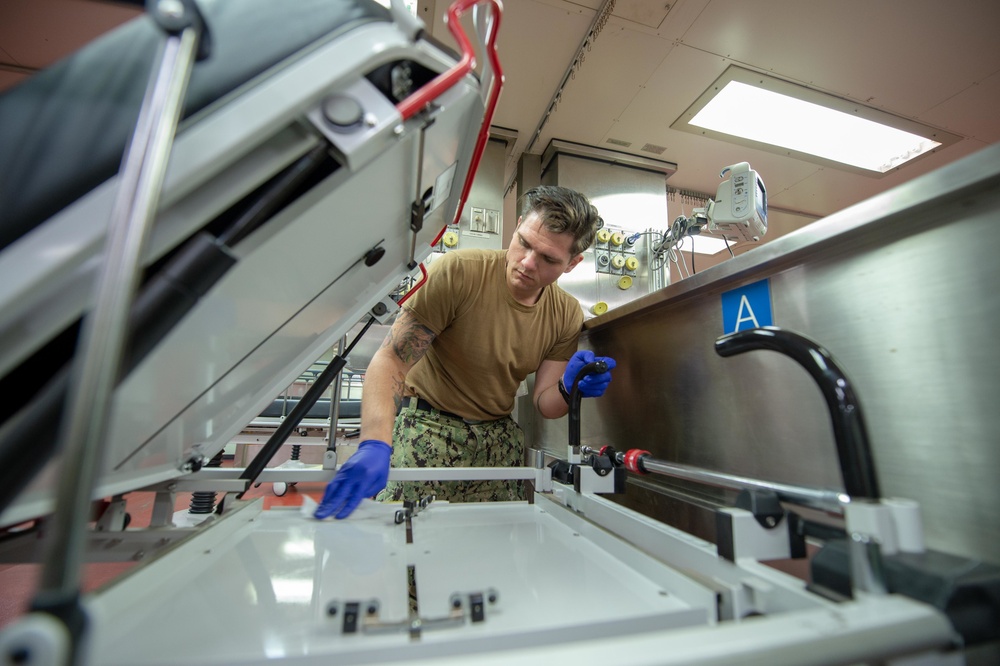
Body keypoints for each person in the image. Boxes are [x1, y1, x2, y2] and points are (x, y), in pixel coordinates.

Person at [315, 186, 616, 520]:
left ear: (573, 263)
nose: (528, 263)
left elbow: (545, 404)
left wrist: (570, 388)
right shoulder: (460, 273)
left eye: (548, 259)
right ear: (517, 227)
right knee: (410, 552)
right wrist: (375, 443)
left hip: (498, 444)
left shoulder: (564, 313)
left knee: (491, 554)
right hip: (428, 433)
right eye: (524, 243)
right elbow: (391, 361)